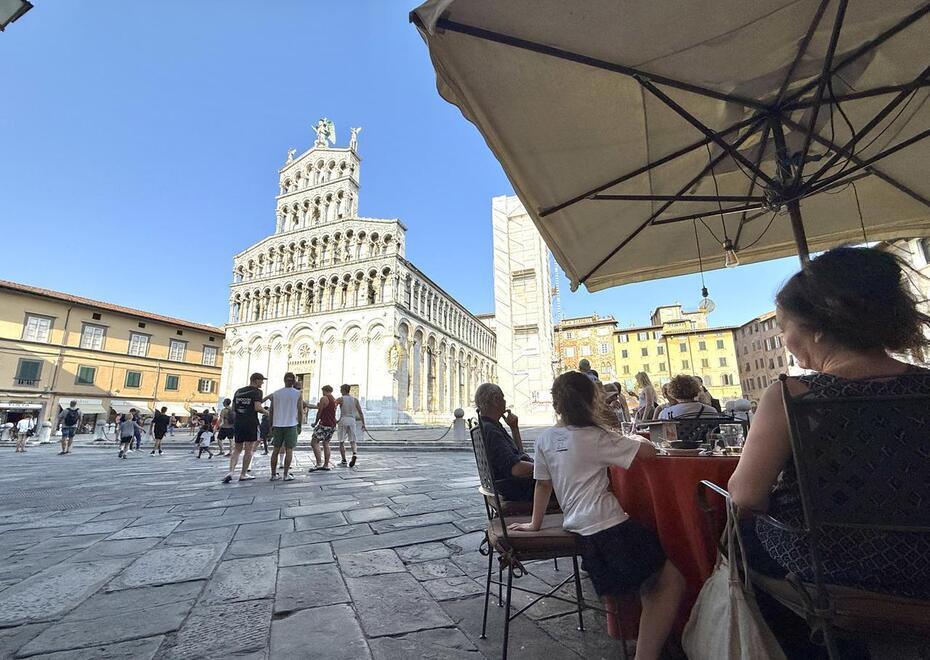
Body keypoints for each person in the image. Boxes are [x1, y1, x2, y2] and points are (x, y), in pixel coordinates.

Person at [728, 247, 930, 655]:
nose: (785, 341)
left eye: (786, 328)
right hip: (925, 567)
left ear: (817, 328)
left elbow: (746, 496)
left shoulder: (792, 395)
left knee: (736, 535)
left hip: (830, 571)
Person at [510, 371, 684, 660]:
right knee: (671, 581)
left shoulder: (545, 439)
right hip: (610, 528)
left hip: (584, 532)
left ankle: (655, 643)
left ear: (557, 405)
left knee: (652, 581)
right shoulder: (597, 436)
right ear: (592, 402)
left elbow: (542, 484)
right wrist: (632, 438)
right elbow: (649, 453)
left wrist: (534, 523)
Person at [475, 382, 535, 501]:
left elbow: (518, 454)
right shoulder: (491, 430)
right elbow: (515, 468)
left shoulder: (490, 426)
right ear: (496, 399)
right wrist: (545, 467)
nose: (505, 402)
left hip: (510, 484)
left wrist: (514, 428)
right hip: (516, 487)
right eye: (503, 398)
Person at [224, 372, 266, 484]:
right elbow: (257, 408)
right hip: (250, 422)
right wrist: (268, 412)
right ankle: (243, 474)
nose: (262, 383)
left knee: (237, 449)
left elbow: (233, 408)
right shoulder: (257, 392)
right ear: (256, 380)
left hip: (238, 422)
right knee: (249, 450)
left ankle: (231, 472)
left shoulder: (238, 391)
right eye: (261, 380)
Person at [268, 372, 304, 481]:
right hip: (291, 424)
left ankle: (273, 475)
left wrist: (271, 425)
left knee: (275, 450)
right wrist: (300, 425)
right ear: (293, 381)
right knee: (289, 450)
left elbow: (271, 411)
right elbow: (300, 412)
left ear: (284, 380)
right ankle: (286, 474)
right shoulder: (298, 394)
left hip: (278, 425)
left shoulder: (276, 393)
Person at [335, 384, 365, 468]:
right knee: (353, 440)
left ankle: (344, 460)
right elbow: (360, 412)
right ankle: (354, 454)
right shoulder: (355, 400)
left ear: (343, 390)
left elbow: (333, 407)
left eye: (341, 389)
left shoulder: (340, 399)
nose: (340, 391)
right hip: (352, 420)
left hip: (343, 420)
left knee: (341, 441)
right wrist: (363, 424)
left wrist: (335, 419)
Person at [309, 385, 337, 471]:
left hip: (324, 423)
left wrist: (315, 422)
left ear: (324, 390)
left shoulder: (324, 398)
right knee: (326, 443)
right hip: (332, 424)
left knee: (314, 441)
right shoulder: (334, 399)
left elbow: (319, 412)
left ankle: (318, 463)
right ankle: (326, 465)